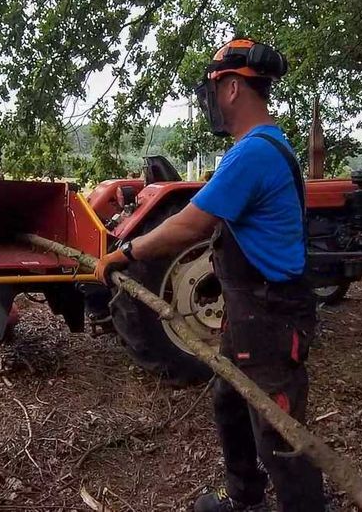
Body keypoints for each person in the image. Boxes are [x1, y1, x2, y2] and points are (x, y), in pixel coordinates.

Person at [95, 38, 326, 512]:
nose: (209, 102)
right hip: (250, 314)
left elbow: (190, 224)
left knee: (279, 435)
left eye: (214, 89)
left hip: (271, 318)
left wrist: (126, 252)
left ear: (235, 88)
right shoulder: (261, 147)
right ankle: (244, 496)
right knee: (229, 403)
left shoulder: (254, 153)